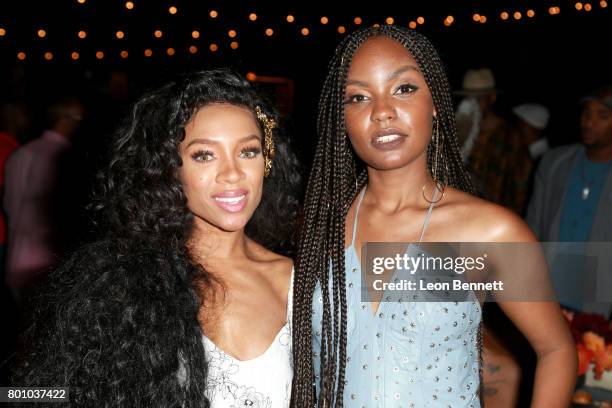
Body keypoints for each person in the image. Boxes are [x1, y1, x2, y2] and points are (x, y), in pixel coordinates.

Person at [291, 25, 577, 407]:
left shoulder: (490, 231)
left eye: (404, 89)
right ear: (340, 118)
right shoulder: (321, 225)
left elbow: (556, 350)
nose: (382, 112)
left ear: (437, 102)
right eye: (358, 97)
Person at [12, 70, 300, 407]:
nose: (233, 173)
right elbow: (38, 392)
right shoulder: (123, 286)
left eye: (248, 151)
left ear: (267, 160)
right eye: (204, 155)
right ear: (169, 168)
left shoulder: (302, 281)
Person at [526, 86, 612, 315]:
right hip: (547, 294)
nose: (589, 122)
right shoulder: (554, 163)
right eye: (587, 113)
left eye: (602, 115)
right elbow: (532, 225)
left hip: (598, 305)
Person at [3, 98, 84, 294]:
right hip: (48, 265)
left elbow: (7, 205)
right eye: (80, 119)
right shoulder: (65, 158)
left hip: (14, 257)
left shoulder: (19, 154)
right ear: (64, 120)